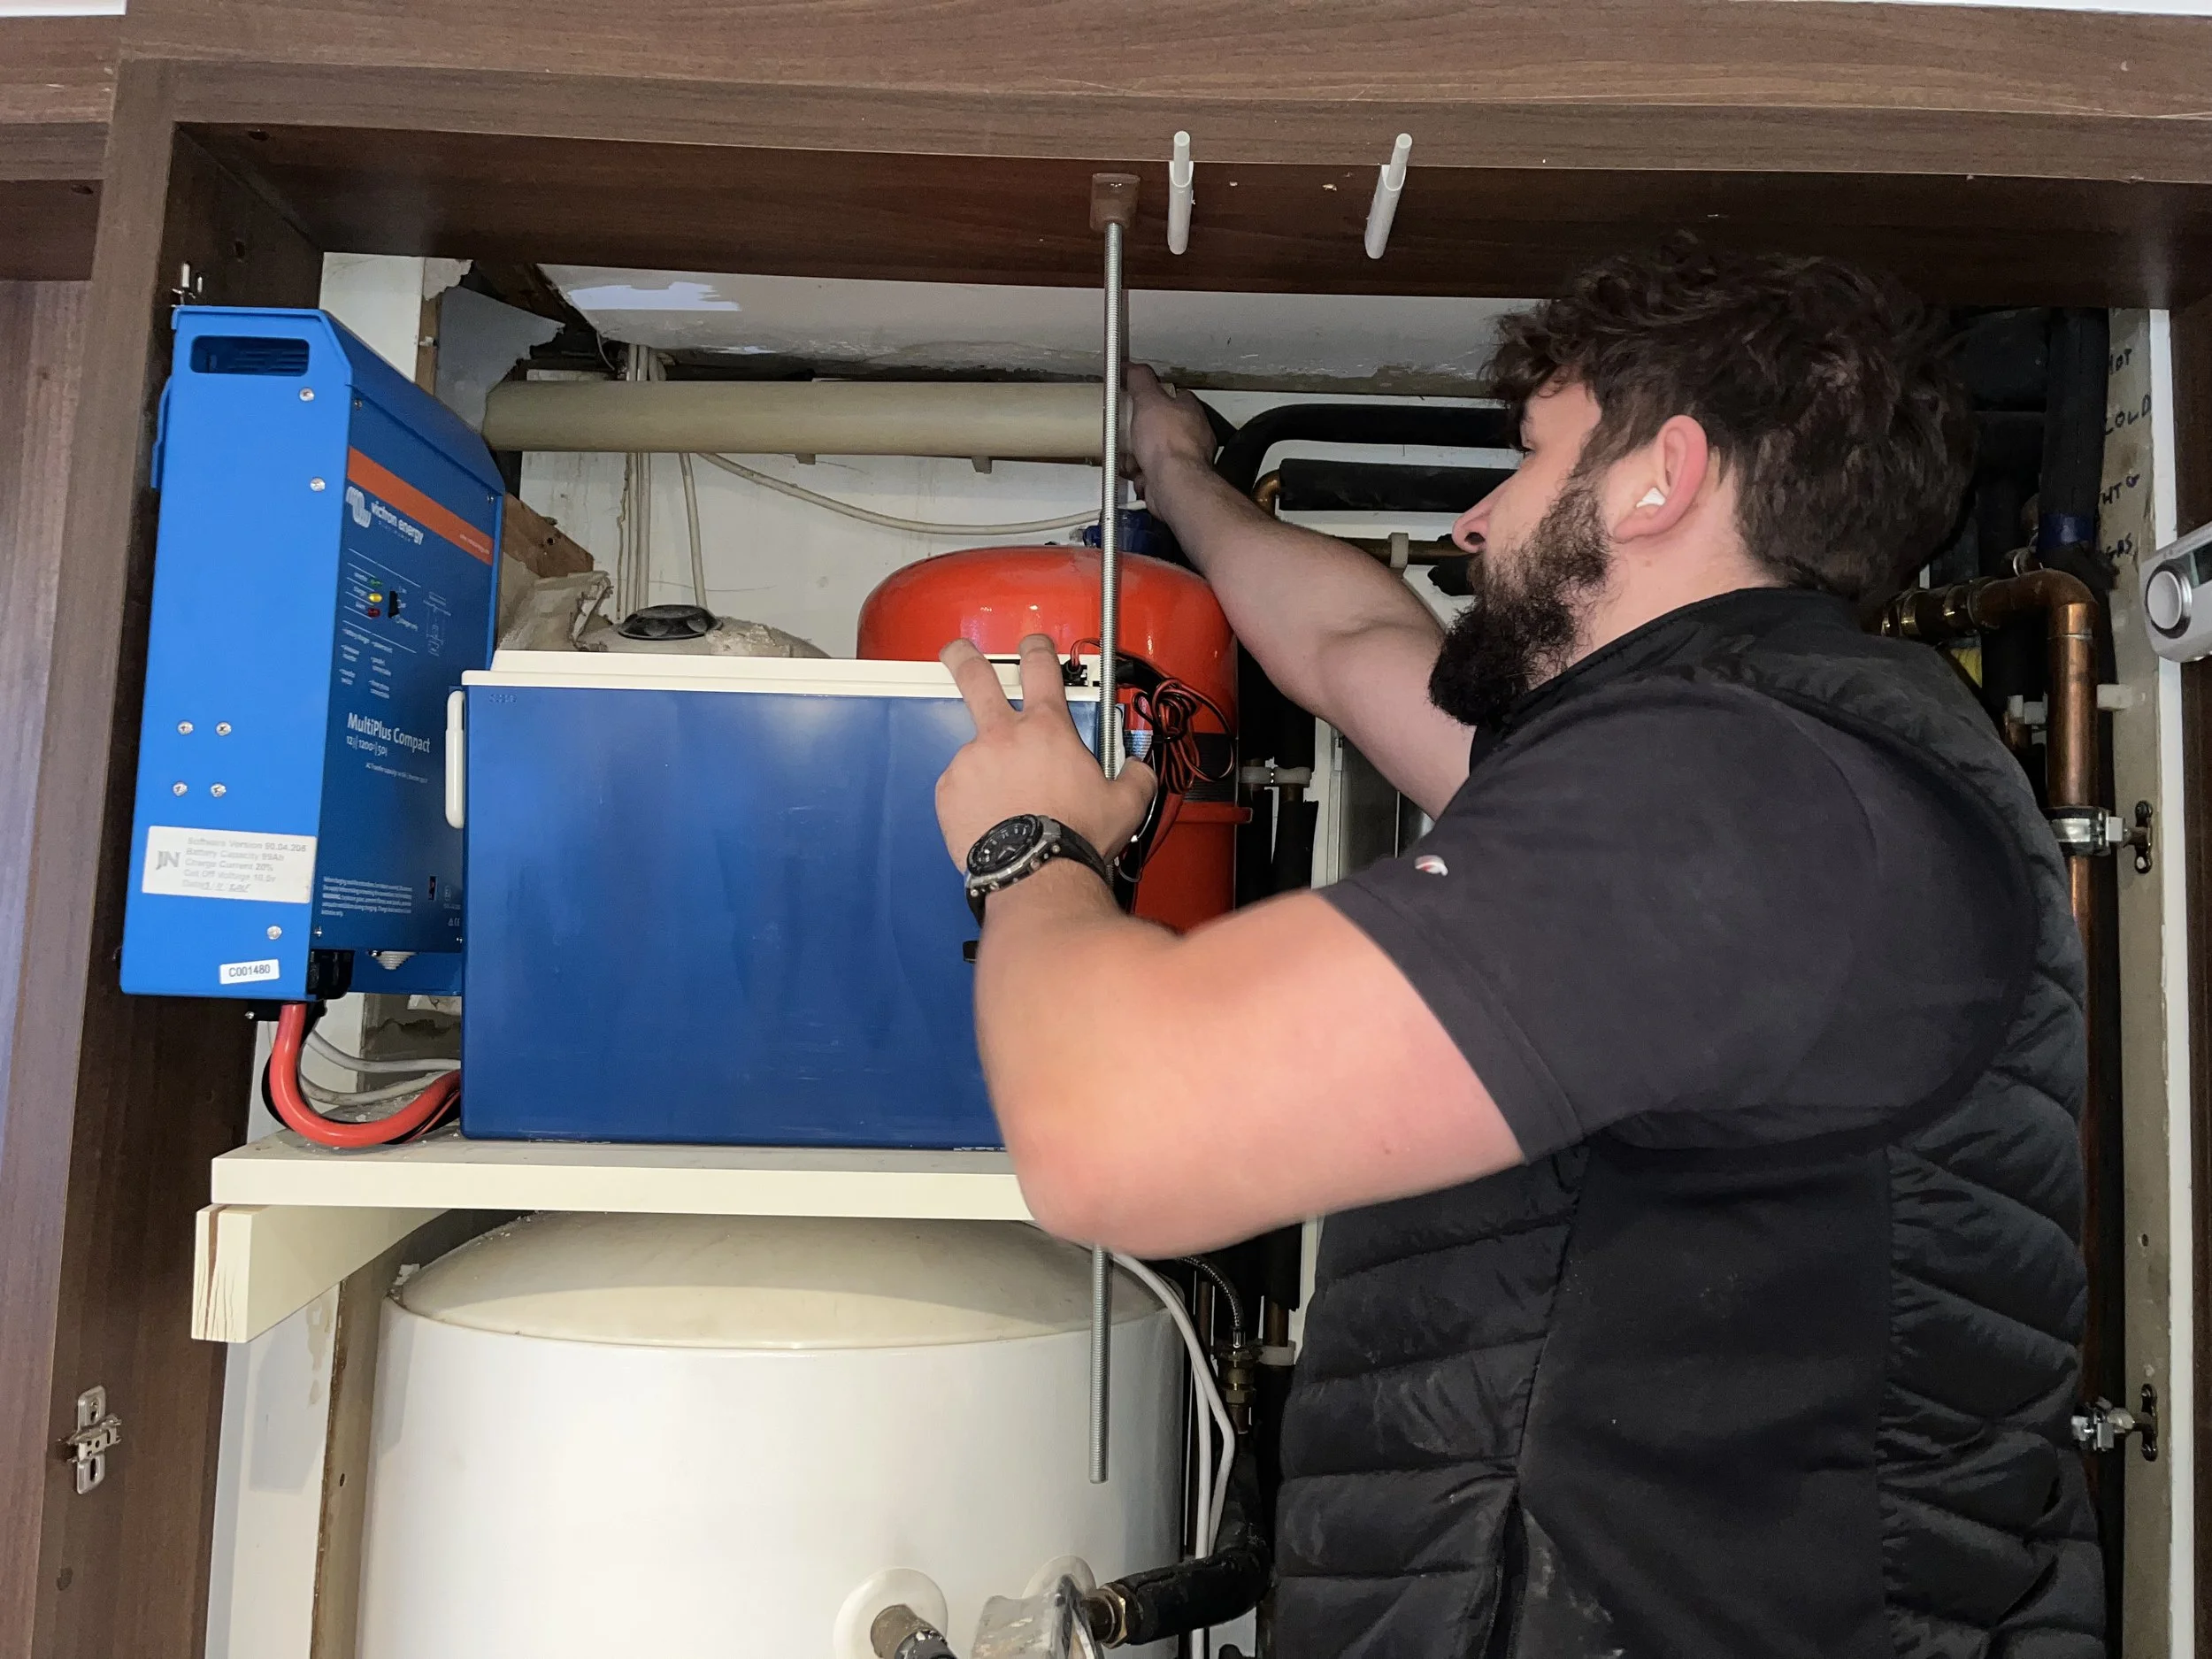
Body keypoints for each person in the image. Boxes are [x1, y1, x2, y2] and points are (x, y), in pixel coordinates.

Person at [931, 242, 2101, 1658]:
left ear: (1659, 476)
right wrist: (1180, 478)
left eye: (1530, 459)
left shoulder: (1730, 795)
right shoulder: (1792, 758)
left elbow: (1113, 1131)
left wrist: (1030, 848)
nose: (1477, 523)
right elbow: (1356, 643)